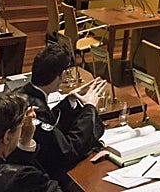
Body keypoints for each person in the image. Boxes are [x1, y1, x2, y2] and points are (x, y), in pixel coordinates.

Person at [19, 45, 106, 190]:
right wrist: (90, 107)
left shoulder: (24, 94)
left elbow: (51, 129)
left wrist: (71, 101)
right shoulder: (33, 111)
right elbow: (67, 151)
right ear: (63, 74)